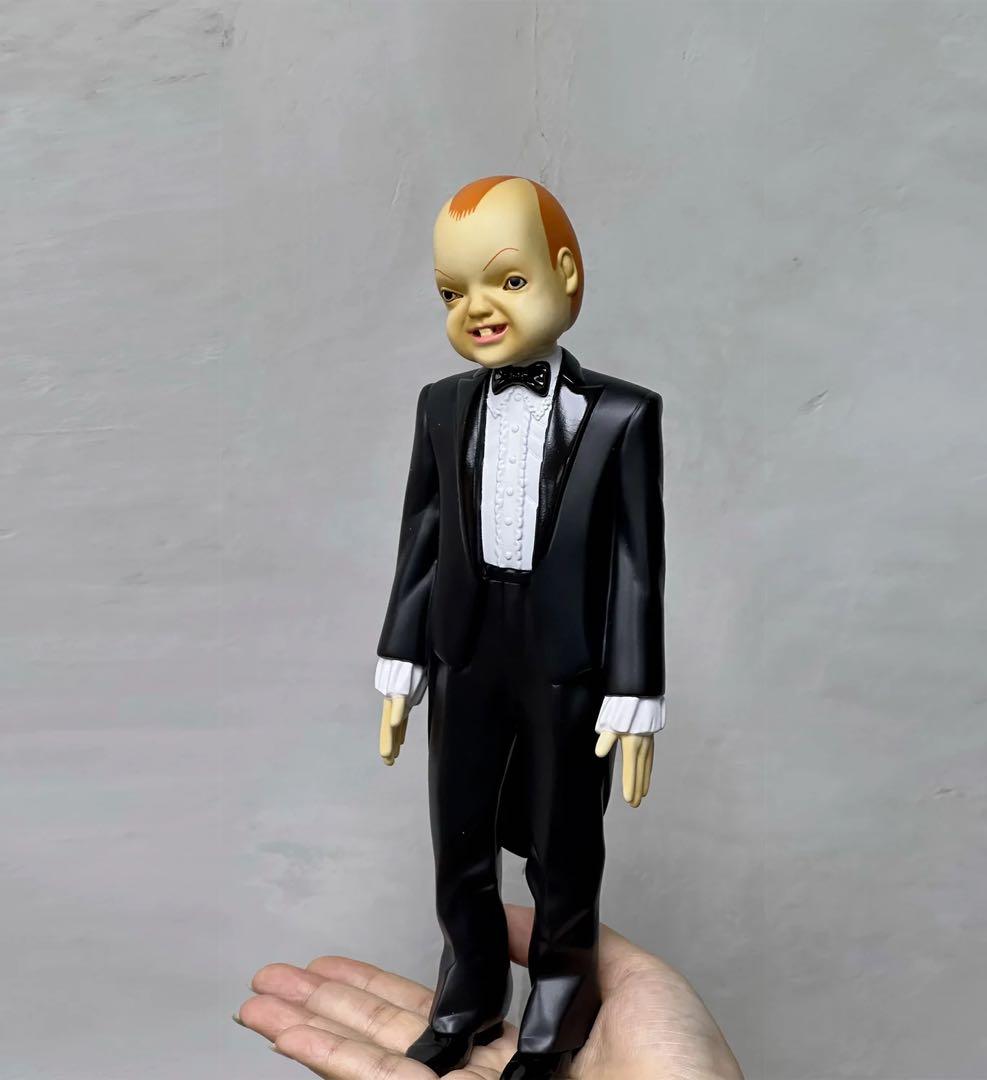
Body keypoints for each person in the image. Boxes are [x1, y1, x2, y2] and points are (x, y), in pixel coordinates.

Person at [372, 176, 666, 1078]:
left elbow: (636, 564)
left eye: (507, 280)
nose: (478, 309)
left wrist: (635, 692)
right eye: (451, 292)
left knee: (561, 842)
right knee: (457, 835)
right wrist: (399, 660)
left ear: (565, 276)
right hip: (462, 648)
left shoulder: (622, 415)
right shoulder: (440, 405)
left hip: (565, 659)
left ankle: (558, 1011)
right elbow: (422, 538)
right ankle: (466, 993)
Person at [234, 902, 745, 1080]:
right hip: (461, 696)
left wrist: (635, 697)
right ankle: (466, 1012)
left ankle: (553, 1038)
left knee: (564, 871)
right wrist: (402, 679)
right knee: (461, 859)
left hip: (569, 704)